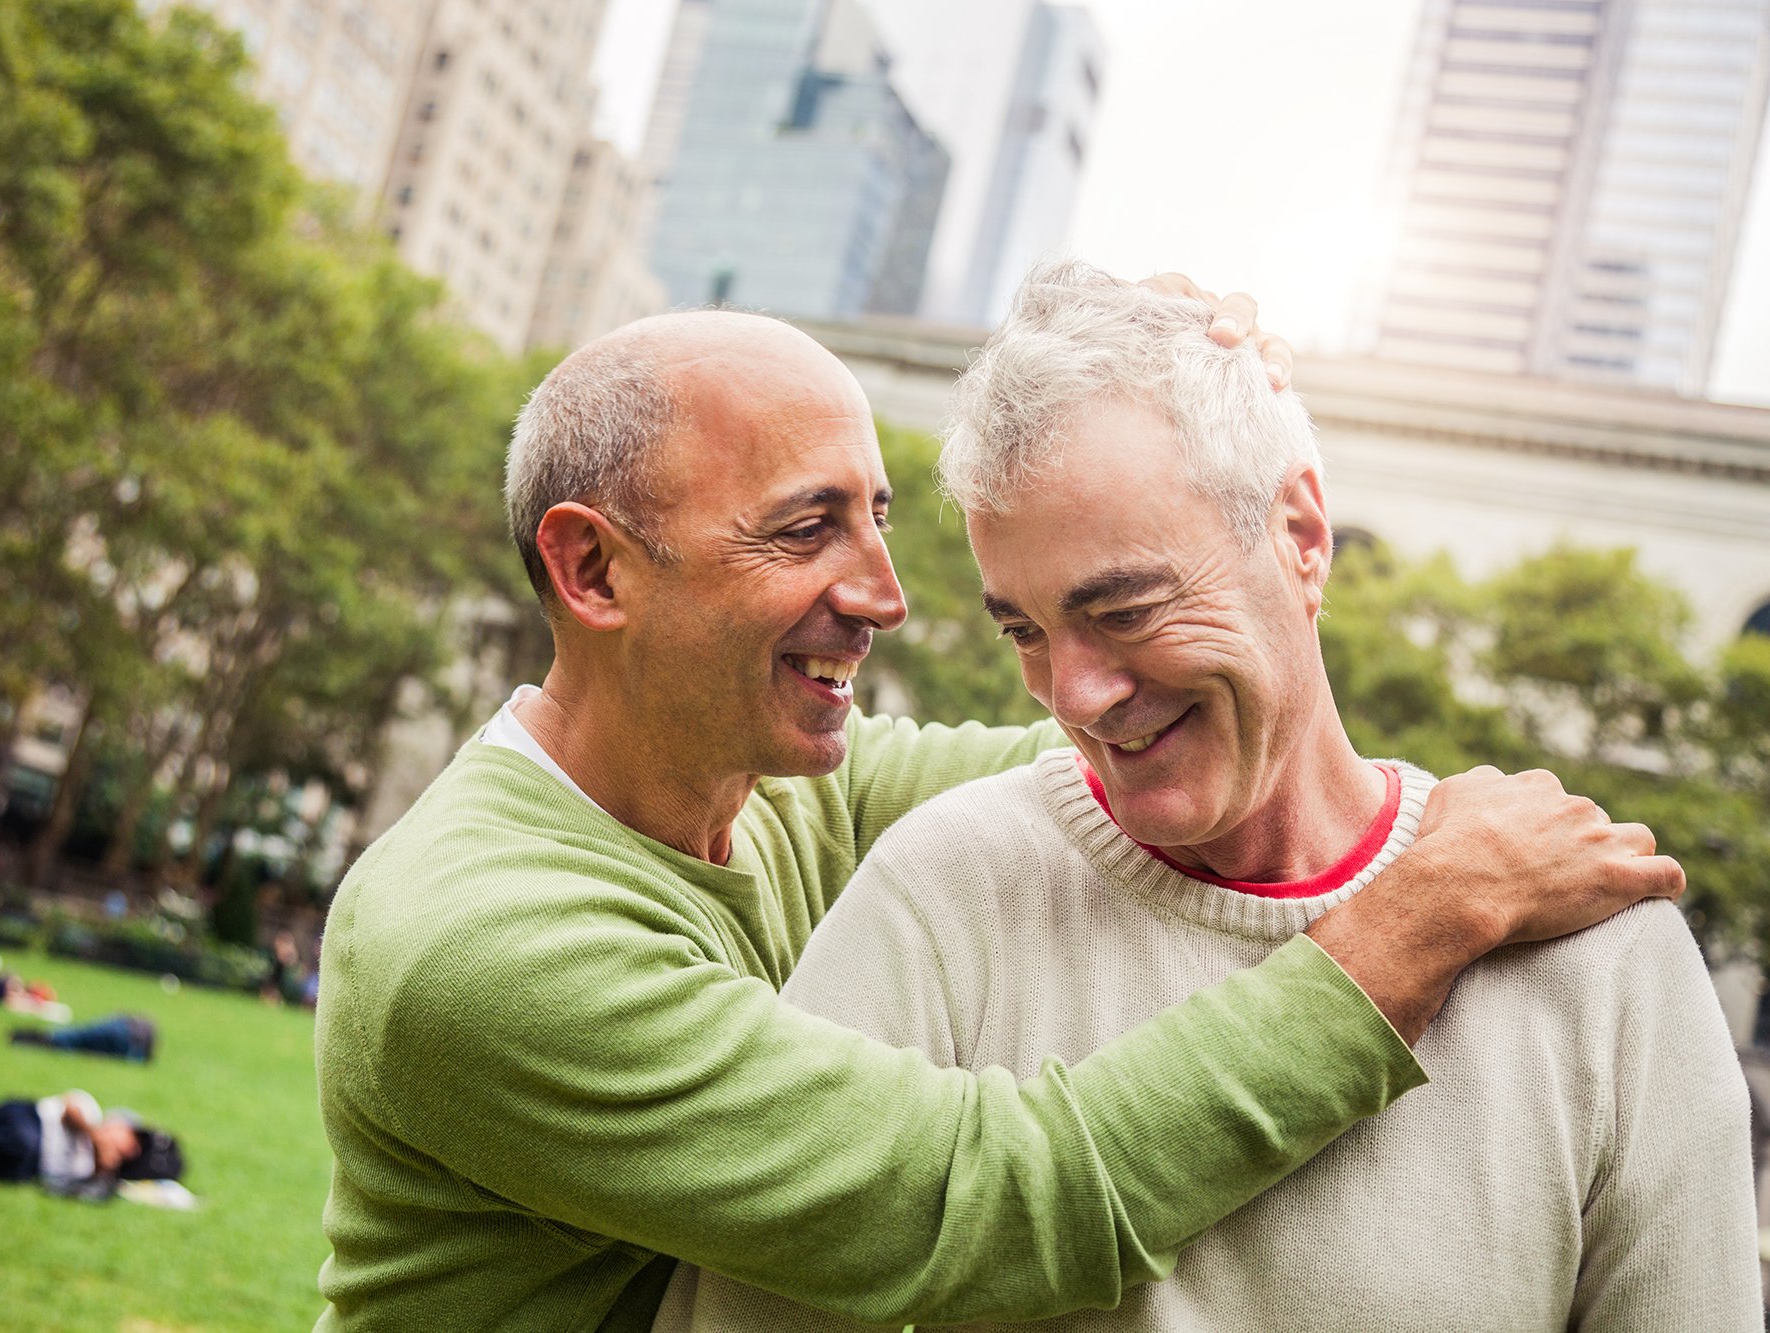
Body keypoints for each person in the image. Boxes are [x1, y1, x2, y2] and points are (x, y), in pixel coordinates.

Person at [312, 287, 1684, 1332]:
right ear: (593, 570)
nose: (882, 593)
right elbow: (981, 1197)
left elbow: (1092, 758)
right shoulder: (478, 946)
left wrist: (1184, 408)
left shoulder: (783, 785)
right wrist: (1422, 911)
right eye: (804, 530)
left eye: (880, 519)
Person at [661, 263, 1757, 1331]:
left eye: (1125, 607)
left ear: (1300, 540)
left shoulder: (1604, 961)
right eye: (1023, 630)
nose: (1072, 694)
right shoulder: (941, 893)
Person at [0, 1088, 184, 1198]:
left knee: (16, 1164)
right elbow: (69, 1109)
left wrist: (98, 1172)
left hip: (23, 1164)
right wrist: (95, 1138)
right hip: (20, 1120)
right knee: (20, 1142)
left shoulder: (100, 1182)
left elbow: (63, 1192)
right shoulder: (90, 1112)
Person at [10, 1012, 158, 1062]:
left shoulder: (138, 1027)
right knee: (79, 1041)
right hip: (126, 1041)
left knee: (79, 1037)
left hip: (123, 1032)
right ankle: (46, 1039)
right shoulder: (141, 1050)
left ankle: (46, 1038)